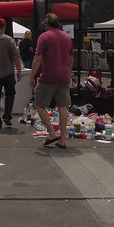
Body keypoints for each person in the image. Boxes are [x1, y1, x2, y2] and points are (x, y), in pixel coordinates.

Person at [31, 12, 73, 148]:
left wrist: (32, 76)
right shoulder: (67, 37)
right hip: (65, 76)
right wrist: (69, 72)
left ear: (47, 24)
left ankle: (51, 133)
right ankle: (62, 139)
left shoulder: (44, 37)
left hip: (49, 76)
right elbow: (71, 59)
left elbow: (37, 58)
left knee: (39, 103)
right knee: (63, 106)